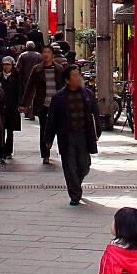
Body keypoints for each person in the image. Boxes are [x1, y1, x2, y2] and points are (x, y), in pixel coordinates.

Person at [45, 65, 101, 204]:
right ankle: (75, 195)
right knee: (69, 165)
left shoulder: (88, 95)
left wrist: (97, 131)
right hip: (67, 136)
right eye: (74, 76)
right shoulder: (59, 98)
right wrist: (48, 138)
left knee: (84, 164)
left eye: (78, 75)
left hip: (83, 135)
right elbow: (51, 119)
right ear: (67, 80)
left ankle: (76, 183)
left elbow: (95, 115)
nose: (78, 78)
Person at [21, 45, 64, 164]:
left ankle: (61, 151)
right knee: (44, 130)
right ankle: (45, 154)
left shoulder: (59, 69)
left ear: (53, 55)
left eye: (48, 52)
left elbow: (64, 87)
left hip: (57, 105)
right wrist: (24, 103)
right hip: (43, 104)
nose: (46, 54)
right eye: (44, 52)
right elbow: (30, 87)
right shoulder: (37, 69)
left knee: (59, 129)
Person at [0, 56, 22, 163]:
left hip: (12, 108)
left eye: (8, 65)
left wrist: (20, 104)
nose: (6, 67)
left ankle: (8, 151)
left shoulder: (16, 78)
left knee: (10, 130)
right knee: (1, 130)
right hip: (1, 108)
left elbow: (19, 93)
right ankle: (2, 153)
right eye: (5, 64)